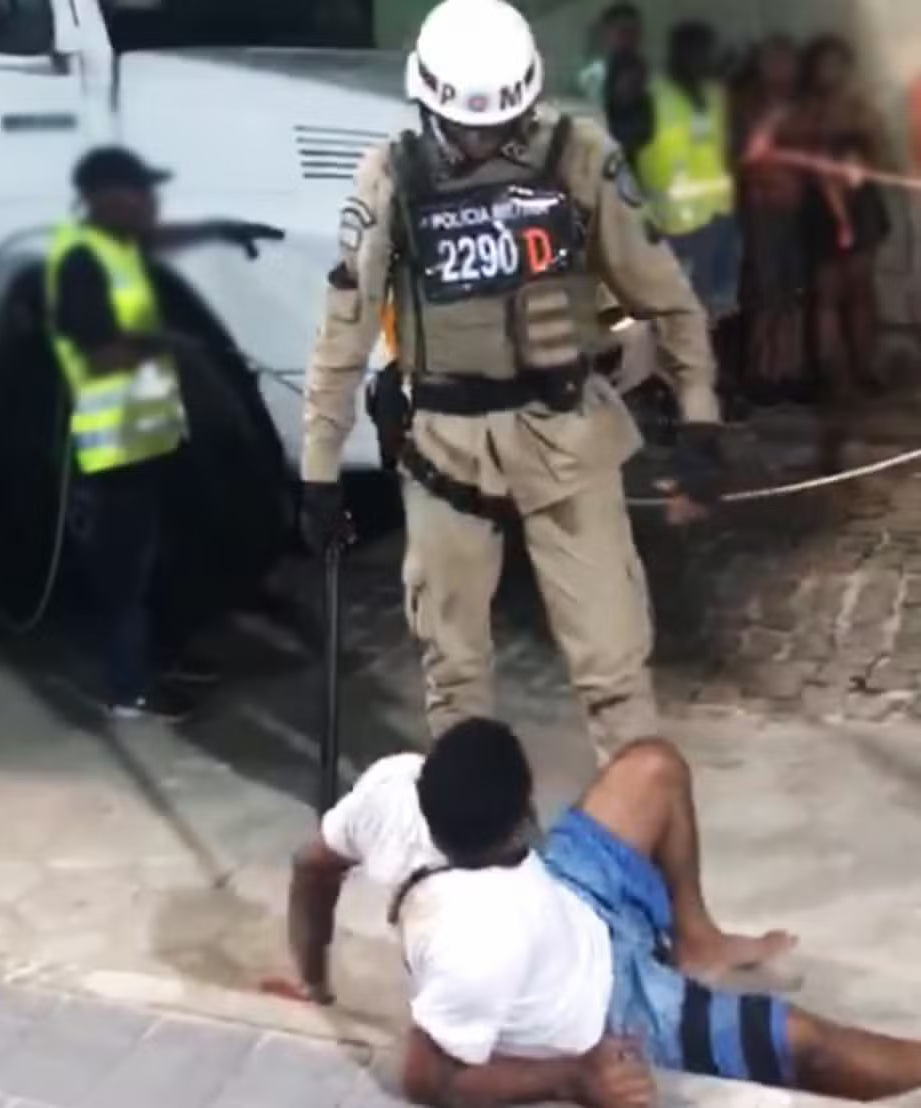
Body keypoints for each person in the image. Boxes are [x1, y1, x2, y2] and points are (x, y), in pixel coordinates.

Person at [299, 0, 723, 762]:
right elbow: (345, 324)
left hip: (567, 434)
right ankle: (475, 851)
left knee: (616, 669)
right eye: (465, 126)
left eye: (500, 125)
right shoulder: (392, 176)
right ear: (426, 101)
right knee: (455, 676)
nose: (483, 141)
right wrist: (319, 469)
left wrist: (699, 420)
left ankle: (639, 844)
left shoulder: (578, 156)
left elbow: (666, 294)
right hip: (445, 446)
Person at [288, 718, 921, 1105]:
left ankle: (695, 938)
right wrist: (572, 1079)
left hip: (567, 896)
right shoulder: (476, 944)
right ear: (523, 814)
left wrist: (313, 982)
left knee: (653, 768)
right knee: (809, 1046)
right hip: (611, 1003)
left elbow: (311, 866)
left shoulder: (394, 786)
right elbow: (430, 1080)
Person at [47, 145, 282, 720]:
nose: (151, 202)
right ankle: (128, 692)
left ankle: (166, 656)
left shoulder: (117, 245)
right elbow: (99, 353)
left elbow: (162, 238)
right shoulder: (80, 260)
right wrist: (169, 345)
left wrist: (221, 231)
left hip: (151, 434)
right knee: (126, 574)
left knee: (169, 557)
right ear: (105, 199)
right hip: (118, 445)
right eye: (140, 192)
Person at [793, 36, 890, 471]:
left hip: (861, 200)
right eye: (824, 65)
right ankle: (833, 372)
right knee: (827, 293)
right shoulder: (805, 109)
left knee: (861, 290)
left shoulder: (860, 103)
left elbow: (876, 148)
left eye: (838, 64)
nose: (831, 73)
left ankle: (864, 366)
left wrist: (860, 162)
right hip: (818, 204)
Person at [632, 22, 739, 320]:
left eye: (708, 52)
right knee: (680, 313)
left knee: (717, 305)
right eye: (699, 51)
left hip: (718, 217)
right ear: (679, 54)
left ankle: (713, 361)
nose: (706, 58)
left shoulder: (715, 93)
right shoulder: (651, 97)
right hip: (675, 226)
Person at [733, 35, 807, 403]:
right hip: (762, 209)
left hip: (796, 209)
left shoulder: (799, 104)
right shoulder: (749, 103)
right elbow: (745, 155)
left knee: (791, 296)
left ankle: (787, 371)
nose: (783, 69)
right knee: (766, 294)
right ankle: (761, 372)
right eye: (776, 61)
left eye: (788, 61)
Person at [575, 2, 644, 112]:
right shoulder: (589, 78)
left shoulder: (647, 77)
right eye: (623, 31)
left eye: (635, 32)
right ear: (607, 33)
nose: (629, 38)